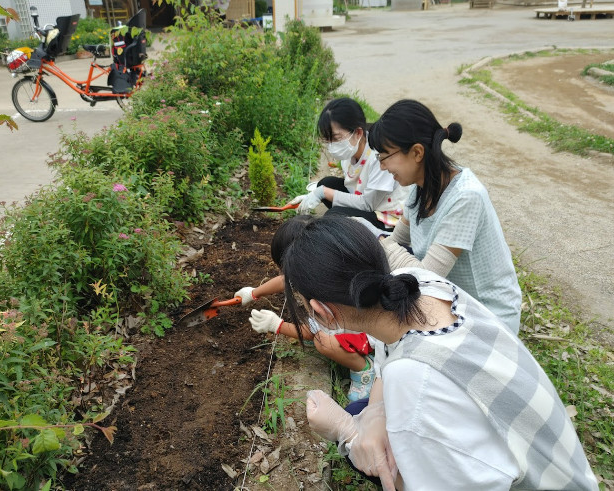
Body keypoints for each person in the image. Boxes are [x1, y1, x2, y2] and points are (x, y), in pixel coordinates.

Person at [282, 216, 598, 491]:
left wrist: (347, 434)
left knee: (356, 421)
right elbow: (386, 362)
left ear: (321, 311)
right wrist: (377, 414)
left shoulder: (416, 379)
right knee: (366, 410)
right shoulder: (419, 284)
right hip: (556, 464)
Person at [369, 99, 522, 334]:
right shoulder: (419, 189)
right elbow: (397, 240)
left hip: (487, 315)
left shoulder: (466, 197)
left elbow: (426, 277)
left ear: (417, 152)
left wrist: (379, 244)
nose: (382, 167)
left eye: (385, 156)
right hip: (451, 297)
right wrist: (380, 245)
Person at [235, 215, 376, 402]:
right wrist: (254, 293)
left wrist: (276, 325)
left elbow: (310, 333)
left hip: (370, 336)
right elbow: (286, 281)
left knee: (323, 342)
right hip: (367, 319)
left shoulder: (325, 301)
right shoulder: (326, 264)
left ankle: (364, 369)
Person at [291, 97, 411, 230]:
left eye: (336, 138)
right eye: (327, 139)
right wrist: (318, 192)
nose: (331, 145)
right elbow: (354, 189)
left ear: (358, 132)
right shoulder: (350, 149)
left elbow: (368, 204)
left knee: (334, 215)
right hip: (365, 201)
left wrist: (323, 193)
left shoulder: (379, 155)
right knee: (326, 184)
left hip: (386, 215)